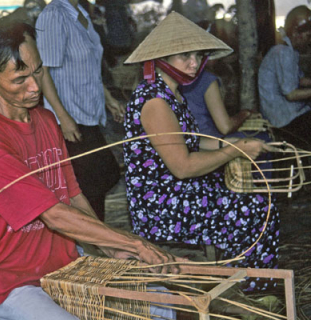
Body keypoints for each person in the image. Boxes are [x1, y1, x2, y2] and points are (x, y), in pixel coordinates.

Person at [0, 18, 180, 320]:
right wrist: (132, 243)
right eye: (19, 78)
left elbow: (73, 197)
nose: (35, 86)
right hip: (12, 282)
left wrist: (108, 247)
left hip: (65, 265)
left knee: (160, 302)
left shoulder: (47, 121)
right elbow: (54, 214)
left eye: (38, 70)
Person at [123, 12, 280, 292]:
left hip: (178, 189)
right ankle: (250, 292)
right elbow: (183, 166)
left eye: (198, 55)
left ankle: (242, 275)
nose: (194, 64)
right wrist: (235, 151)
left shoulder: (171, 92)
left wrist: (232, 144)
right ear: (162, 59)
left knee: (255, 198)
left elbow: (194, 141)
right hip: (162, 204)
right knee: (254, 209)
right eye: (184, 56)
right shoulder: (155, 101)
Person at [35, 0, 125, 222]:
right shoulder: (54, 15)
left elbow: (89, 67)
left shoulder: (81, 12)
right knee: (99, 177)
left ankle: (94, 240)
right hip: (69, 113)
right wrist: (63, 117)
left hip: (89, 111)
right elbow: (42, 71)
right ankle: (92, 242)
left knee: (95, 180)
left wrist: (108, 98)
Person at [258, 5, 311, 150]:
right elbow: (291, 94)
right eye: (308, 36)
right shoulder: (283, 53)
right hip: (283, 120)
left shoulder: (290, 52)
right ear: (295, 33)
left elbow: (298, 80)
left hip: (288, 115)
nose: (309, 41)